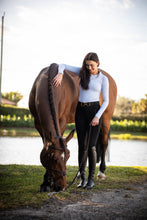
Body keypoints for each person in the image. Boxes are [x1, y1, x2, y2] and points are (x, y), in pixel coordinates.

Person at [52, 52, 109, 189]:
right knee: (81, 146)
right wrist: (60, 73)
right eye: (87, 65)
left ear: (98, 63)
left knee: (91, 147)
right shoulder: (82, 72)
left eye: (92, 65)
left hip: (94, 110)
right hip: (80, 111)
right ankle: (82, 178)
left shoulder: (103, 79)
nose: (89, 68)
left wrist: (97, 116)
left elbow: (106, 101)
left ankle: (91, 179)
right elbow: (63, 65)